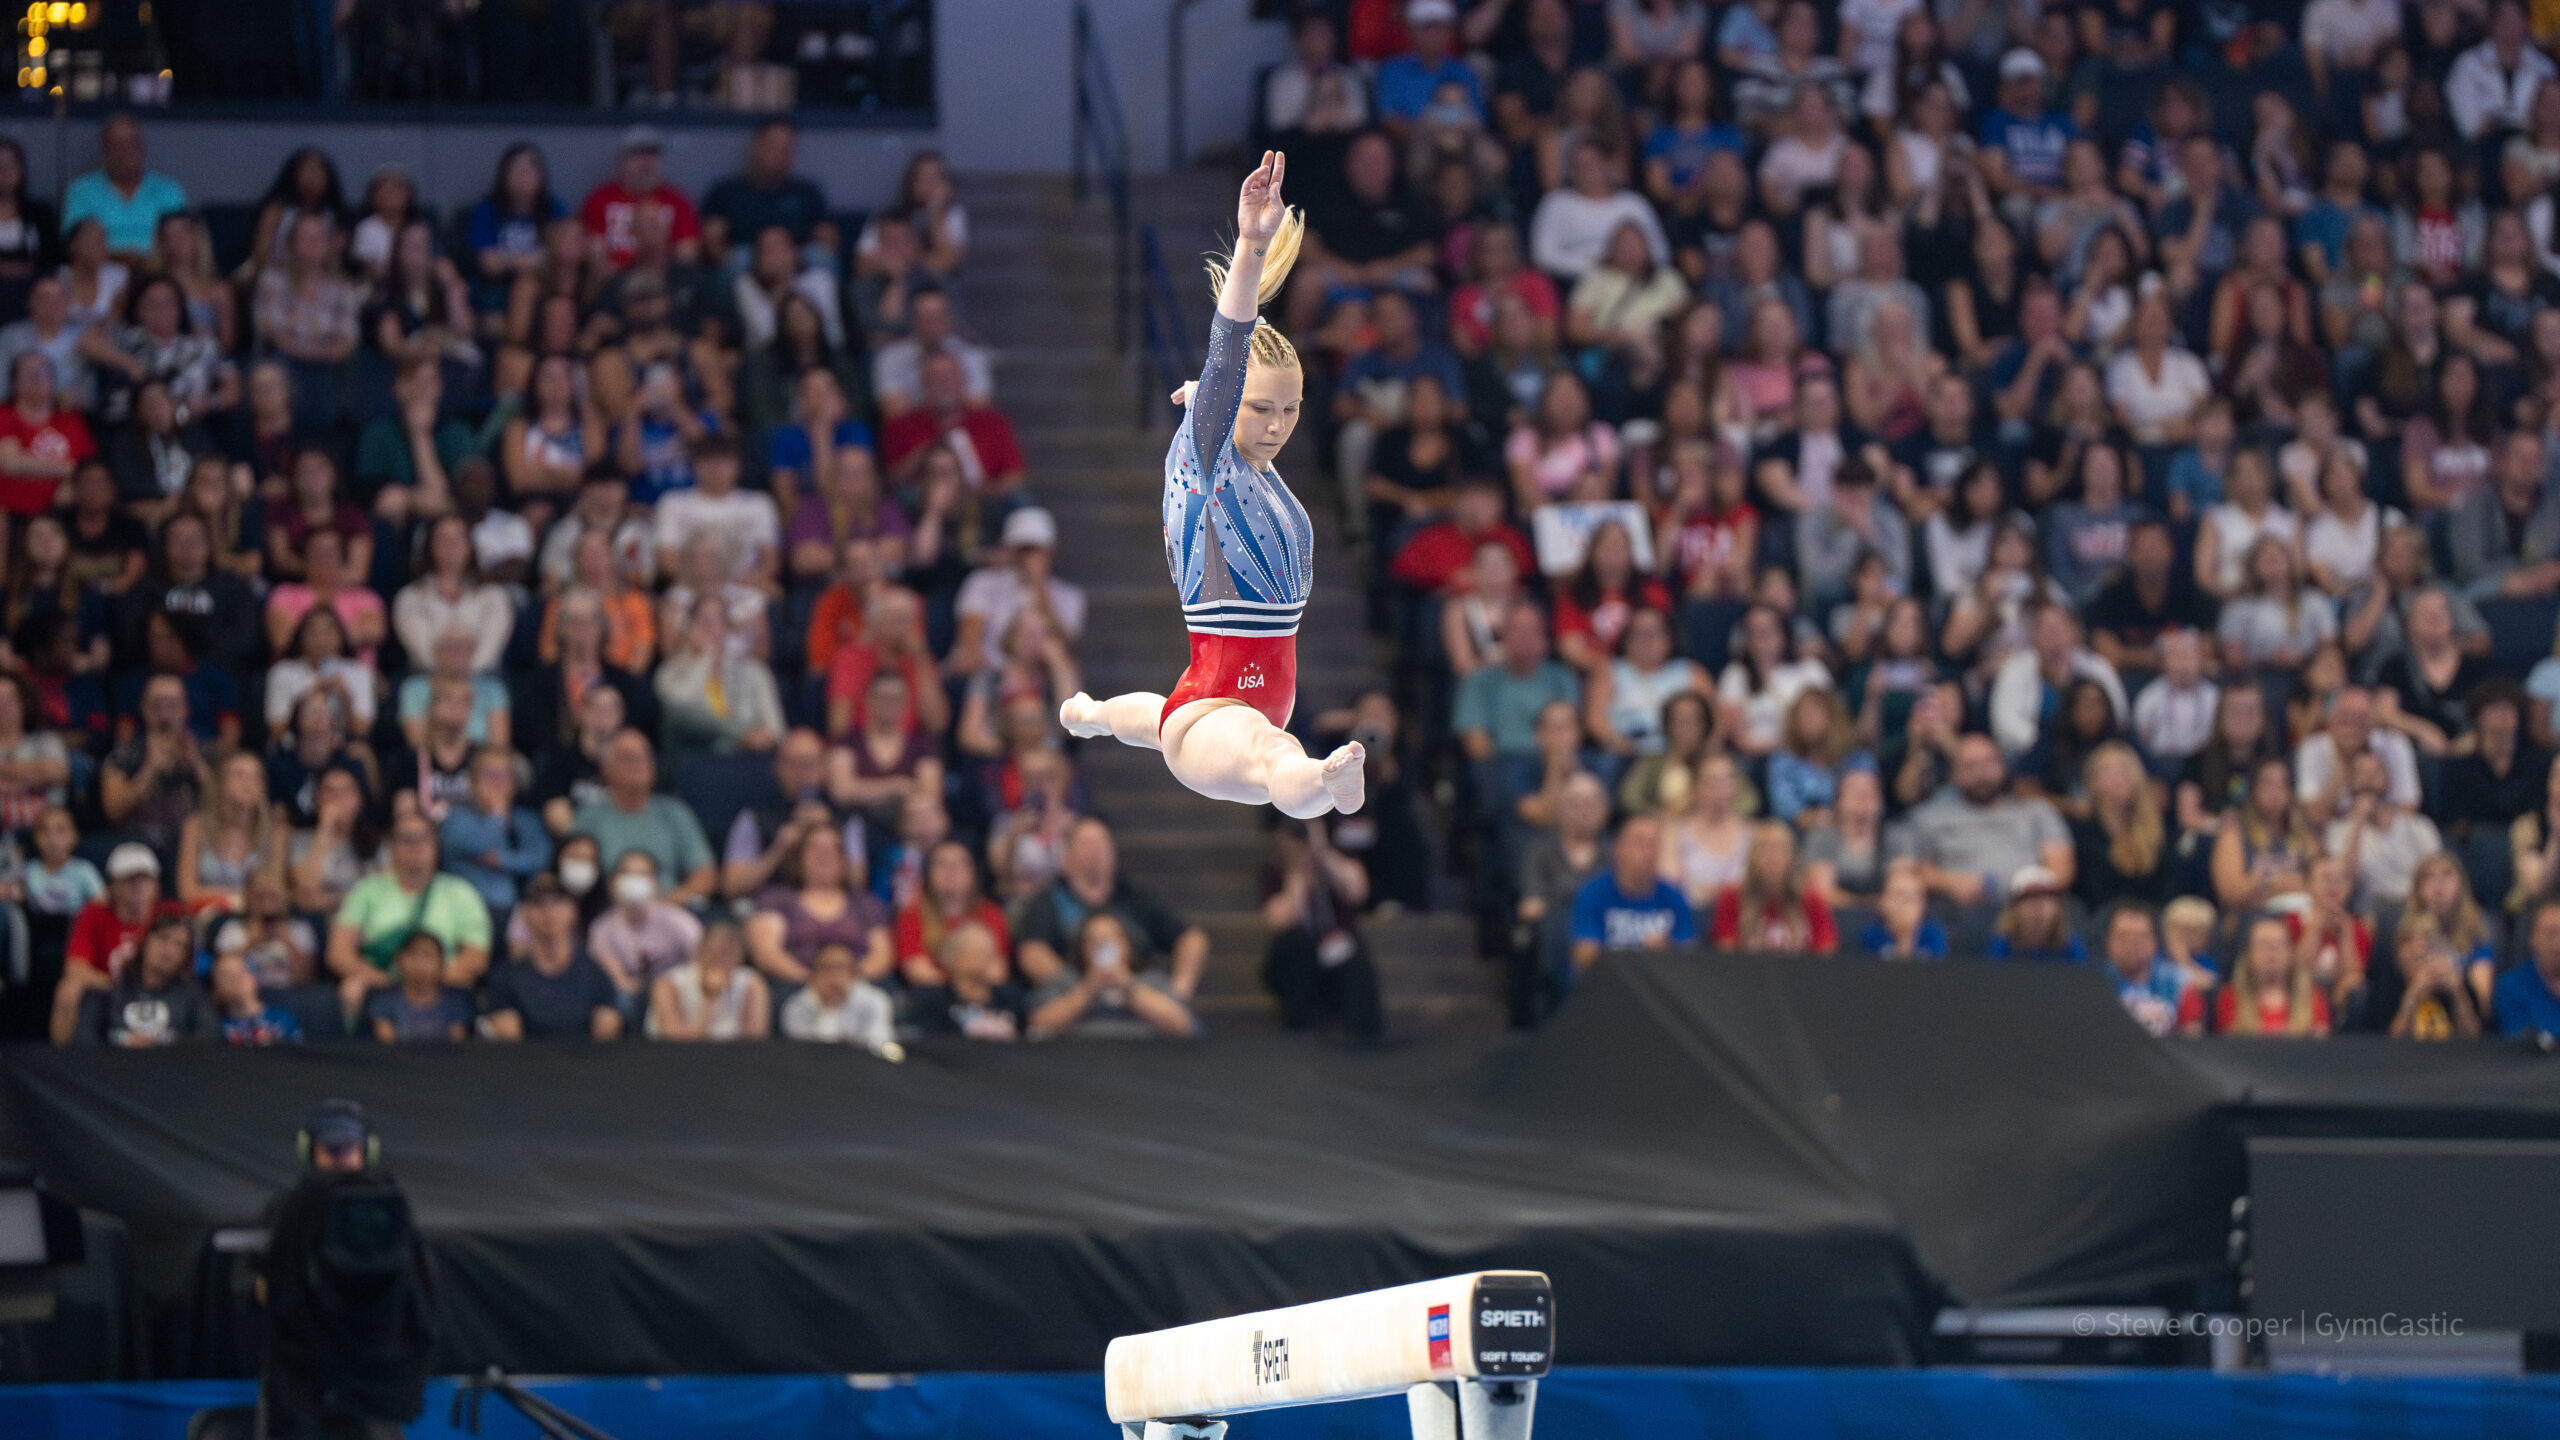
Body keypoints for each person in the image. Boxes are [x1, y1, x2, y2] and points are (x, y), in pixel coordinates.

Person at [1060, 156, 1367, 819]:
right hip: (1213, 714)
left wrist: (1212, 399)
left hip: (1228, 700)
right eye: (1260, 409)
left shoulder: (1257, 470)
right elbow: (1229, 349)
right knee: (1272, 755)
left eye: (1290, 410)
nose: (1278, 426)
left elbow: (1229, 390)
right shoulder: (1208, 461)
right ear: (1228, 406)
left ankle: (1093, 714)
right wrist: (1252, 244)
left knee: (1154, 718)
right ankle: (1327, 784)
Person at [1014, 817, 1209, 1000]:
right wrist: (1085, 992)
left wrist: (1179, 991)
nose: (1096, 851)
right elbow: (1032, 953)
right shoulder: (1049, 901)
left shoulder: (1136, 899)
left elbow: (1192, 938)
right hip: (1074, 1002)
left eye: (1102, 843)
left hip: (1139, 1001)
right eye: (1087, 844)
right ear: (1066, 854)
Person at [326, 812, 491, 1020]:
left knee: (466, 985)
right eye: (406, 839)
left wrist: (426, 982)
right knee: (351, 989)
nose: (415, 846)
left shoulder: (460, 892)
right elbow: (338, 953)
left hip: (441, 985)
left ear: (436, 845)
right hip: (382, 983)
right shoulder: (367, 890)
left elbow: (477, 956)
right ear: (391, 847)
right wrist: (386, 981)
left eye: (423, 838)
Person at [1892, 733, 2075, 913]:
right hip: (1958, 913)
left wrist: (2030, 892)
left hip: (2029, 910)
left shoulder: (2036, 812)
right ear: (1954, 774)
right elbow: (1906, 870)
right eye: (1971, 766)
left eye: (1989, 762)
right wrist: (1949, 883)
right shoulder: (1927, 818)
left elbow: (2061, 867)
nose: (1982, 772)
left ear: (2003, 765)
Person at [1259, 819, 1384, 1041]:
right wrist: (1297, 870)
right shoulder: (1273, 870)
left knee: (1350, 947)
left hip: (1336, 945)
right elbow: (1281, 919)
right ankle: (1302, 1021)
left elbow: (1357, 892)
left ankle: (1362, 1028)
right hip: (1298, 952)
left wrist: (1322, 852)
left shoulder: (1336, 857)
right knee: (1297, 943)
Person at [568, 730, 717, 905]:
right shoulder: (590, 816)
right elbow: (572, 871)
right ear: (605, 769)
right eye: (628, 758)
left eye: (645, 757)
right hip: (604, 909)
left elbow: (705, 875)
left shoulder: (675, 812)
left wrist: (663, 905)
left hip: (668, 908)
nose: (639, 764)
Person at [482, 875, 623, 1042]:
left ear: (574, 910)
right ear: (525, 913)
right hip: (527, 1058)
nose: (548, 911)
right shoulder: (505, 978)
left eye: (558, 902)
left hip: (586, 1058)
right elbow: (510, 1042)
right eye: (538, 903)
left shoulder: (596, 975)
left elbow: (606, 1035)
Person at [1027, 910, 1201, 1039]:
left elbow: (1183, 1025)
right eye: (1093, 940)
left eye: (1112, 938)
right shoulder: (1065, 983)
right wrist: (1089, 989)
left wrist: (1127, 986)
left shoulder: (1153, 982)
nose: (1103, 945)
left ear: (1127, 945)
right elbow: (1038, 1025)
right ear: (1082, 949)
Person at [1569, 815, 1699, 977]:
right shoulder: (1593, 893)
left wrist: (1668, 949)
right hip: (1607, 984)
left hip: (1657, 983)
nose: (1648, 852)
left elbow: (1689, 957)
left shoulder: (1674, 896)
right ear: (1618, 849)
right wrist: (1637, 952)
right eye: (1640, 843)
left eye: (1653, 844)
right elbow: (1583, 957)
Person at [58, 914, 204, 1046]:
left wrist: (162, 1043)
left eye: (179, 945)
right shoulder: (110, 991)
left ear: (186, 957)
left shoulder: (193, 997)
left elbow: (207, 1040)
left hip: (172, 1065)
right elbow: (84, 1040)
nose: (169, 949)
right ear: (145, 942)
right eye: (163, 937)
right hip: (113, 1064)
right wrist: (122, 1041)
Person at [60, 114, 186, 260]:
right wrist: (122, 259)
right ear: (104, 150)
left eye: (131, 144)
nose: (125, 152)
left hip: (159, 270)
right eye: (116, 145)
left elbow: (184, 243)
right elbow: (74, 248)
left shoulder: (169, 190)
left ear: (143, 148)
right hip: (100, 270)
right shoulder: (81, 191)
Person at [2184, 913, 2331, 1036]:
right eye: (2263, 944)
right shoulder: (2230, 998)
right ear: (2248, 954)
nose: (2271, 951)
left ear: (2291, 953)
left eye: (2279, 944)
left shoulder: (2313, 999)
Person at [1709, 823, 1836, 953]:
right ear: (1752, 856)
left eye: (1779, 848)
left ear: (1792, 856)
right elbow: (1725, 955)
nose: (1772, 856)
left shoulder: (1811, 899)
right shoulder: (1732, 897)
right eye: (1764, 848)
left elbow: (1826, 953)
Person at [647, 920, 770, 1041]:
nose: (722, 963)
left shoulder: (752, 984)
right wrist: (710, 1000)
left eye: (730, 956)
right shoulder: (668, 984)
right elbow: (675, 1040)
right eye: (716, 955)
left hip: (732, 1053)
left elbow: (754, 1041)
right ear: (699, 954)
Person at [779, 940, 899, 1053]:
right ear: (814, 975)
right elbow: (804, 1053)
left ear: (853, 973)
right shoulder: (797, 1007)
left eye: (841, 968)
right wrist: (829, 1010)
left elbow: (880, 1044)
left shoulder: (875, 1000)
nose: (834, 976)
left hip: (863, 1064)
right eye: (827, 968)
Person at [2102, 903, 2187, 1036]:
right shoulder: (2095, 982)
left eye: (2140, 938)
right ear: (2108, 940)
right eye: (2123, 937)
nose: (2131, 945)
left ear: (2155, 942)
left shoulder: (2180, 983)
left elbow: (2193, 1038)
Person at [2494, 896, 2560, 1039]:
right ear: (2533, 937)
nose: (2557, 944)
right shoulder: (2511, 986)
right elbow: (2520, 1042)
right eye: (2550, 934)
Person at [209, 950, 301, 1047]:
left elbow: (295, 1053)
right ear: (216, 988)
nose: (237, 979)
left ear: (253, 977)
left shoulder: (282, 1019)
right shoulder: (217, 1029)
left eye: (242, 971)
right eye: (228, 976)